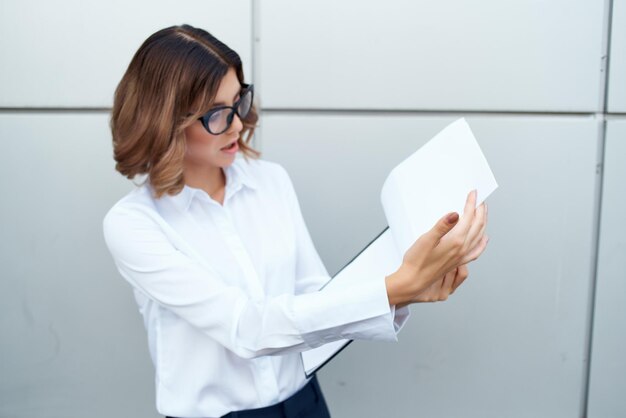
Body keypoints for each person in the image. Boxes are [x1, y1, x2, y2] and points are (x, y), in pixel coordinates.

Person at [103, 24, 488, 418]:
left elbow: (316, 301)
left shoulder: (270, 181)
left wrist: (411, 284)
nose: (238, 123)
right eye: (217, 114)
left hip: (306, 404)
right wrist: (393, 287)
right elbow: (246, 328)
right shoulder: (134, 225)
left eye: (240, 101)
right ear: (166, 122)